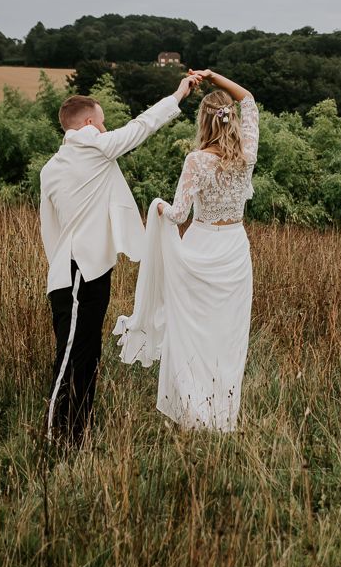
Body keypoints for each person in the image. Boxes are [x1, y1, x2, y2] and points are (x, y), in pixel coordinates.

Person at [39, 75, 199, 445]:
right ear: (89, 125)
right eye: (103, 121)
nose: (107, 127)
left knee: (88, 352)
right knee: (70, 356)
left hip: (81, 270)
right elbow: (142, 125)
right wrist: (177, 94)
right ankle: (55, 435)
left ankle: (78, 432)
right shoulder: (93, 149)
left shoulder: (52, 167)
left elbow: (50, 227)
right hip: (78, 271)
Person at [113, 69, 259, 431]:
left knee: (192, 333)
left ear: (204, 123)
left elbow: (179, 214)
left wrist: (158, 206)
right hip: (235, 252)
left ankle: (194, 411)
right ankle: (221, 414)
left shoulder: (196, 161)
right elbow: (249, 100)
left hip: (201, 249)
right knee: (227, 336)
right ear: (231, 120)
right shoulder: (247, 154)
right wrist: (215, 77)